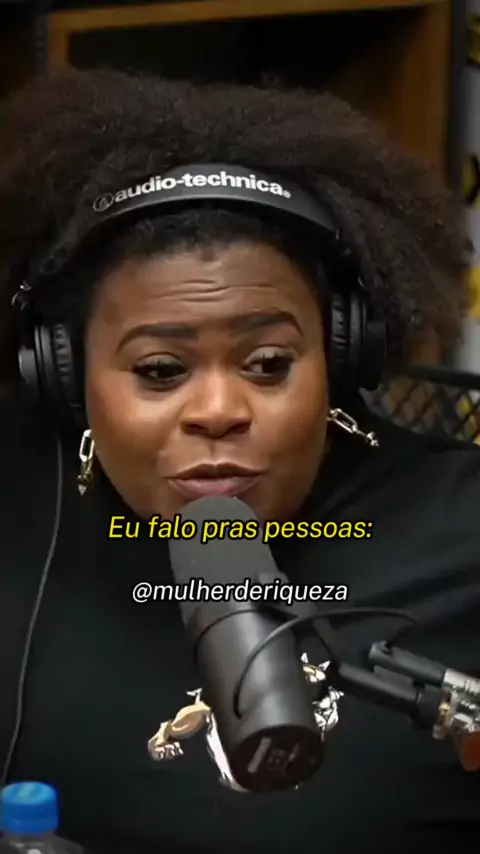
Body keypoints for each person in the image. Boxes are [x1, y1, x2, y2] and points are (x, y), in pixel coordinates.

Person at [0, 68, 478, 854]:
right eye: (160, 370)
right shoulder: (20, 509)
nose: (219, 410)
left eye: (267, 363)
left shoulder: (464, 534)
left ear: (343, 356)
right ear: (65, 375)